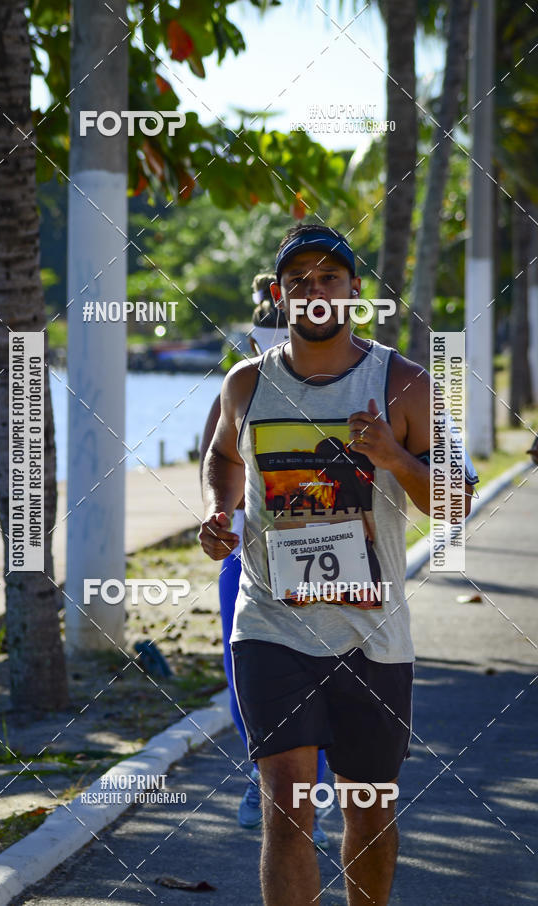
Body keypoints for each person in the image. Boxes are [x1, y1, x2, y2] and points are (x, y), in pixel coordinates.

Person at [199, 224, 478, 906]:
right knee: (288, 810)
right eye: (299, 282)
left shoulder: (406, 384)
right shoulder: (246, 386)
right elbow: (223, 455)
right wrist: (221, 510)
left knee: (370, 812)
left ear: (355, 292)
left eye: (329, 279)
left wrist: (393, 457)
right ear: (278, 297)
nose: (315, 292)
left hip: (373, 636)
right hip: (270, 628)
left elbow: (456, 499)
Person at [200, 274, 330, 847]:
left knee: (324, 676)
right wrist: (217, 516)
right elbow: (214, 464)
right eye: (266, 338)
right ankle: (261, 778)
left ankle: (312, 803)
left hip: (327, 558)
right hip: (250, 564)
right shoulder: (239, 389)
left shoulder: (342, 387)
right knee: (247, 678)